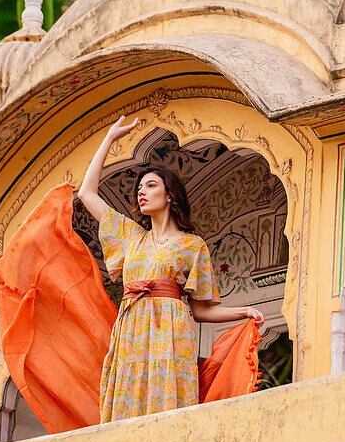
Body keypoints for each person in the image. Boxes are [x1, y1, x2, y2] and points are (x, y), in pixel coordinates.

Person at [77, 115, 264, 422]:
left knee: (167, 409)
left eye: (151, 185)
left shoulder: (193, 246)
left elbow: (202, 310)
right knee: (127, 408)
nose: (142, 192)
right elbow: (86, 194)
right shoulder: (131, 236)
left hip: (172, 333)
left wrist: (243, 311)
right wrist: (109, 139)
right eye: (139, 187)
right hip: (132, 331)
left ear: (170, 195)